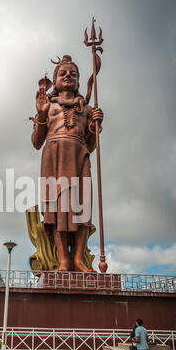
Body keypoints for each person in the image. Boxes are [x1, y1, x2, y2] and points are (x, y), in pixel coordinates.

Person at [31, 55, 103, 271]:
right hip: (54, 157)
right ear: (55, 81)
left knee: (82, 208)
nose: (68, 76)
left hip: (80, 156)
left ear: (79, 81)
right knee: (57, 209)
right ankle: (63, 260)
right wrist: (42, 115)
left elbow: (91, 145)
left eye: (73, 73)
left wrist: (95, 126)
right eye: (63, 73)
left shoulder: (87, 109)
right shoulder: (49, 106)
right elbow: (36, 142)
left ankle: (78, 259)